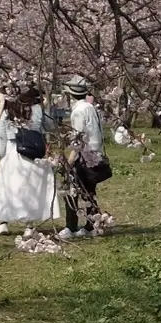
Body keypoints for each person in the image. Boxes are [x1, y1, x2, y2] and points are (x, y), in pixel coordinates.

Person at [0, 87, 60, 236]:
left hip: (12, 150)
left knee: (7, 187)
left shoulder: (8, 110)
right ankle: (29, 225)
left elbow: (2, 136)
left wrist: (2, 155)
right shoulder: (38, 109)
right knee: (31, 188)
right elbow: (50, 126)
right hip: (32, 151)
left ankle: (3, 222)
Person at [61, 75, 105, 239]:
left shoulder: (78, 111)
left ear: (70, 94)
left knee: (71, 191)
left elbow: (78, 139)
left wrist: (70, 159)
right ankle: (92, 225)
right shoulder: (90, 107)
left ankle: (70, 227)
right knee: (89, 192)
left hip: (83, 156)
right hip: (94, 153)